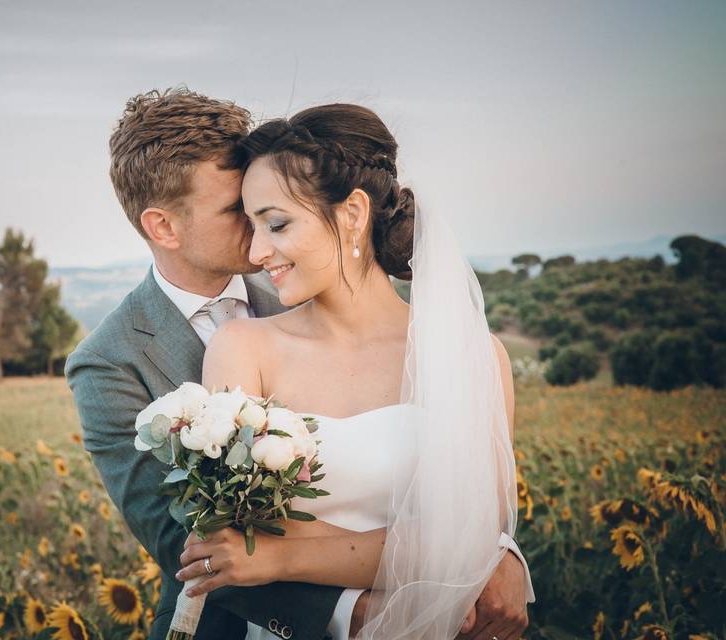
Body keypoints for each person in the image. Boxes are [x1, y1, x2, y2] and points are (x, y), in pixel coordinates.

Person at [66, 89, 533, 640]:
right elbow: (197, 543)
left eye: (270, 218)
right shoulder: (110, 362)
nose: (259, 244)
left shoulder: (311, 278)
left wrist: (494, 549)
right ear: (164, 227)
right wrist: (372, 608)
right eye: (238, 213)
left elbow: (476, 503)